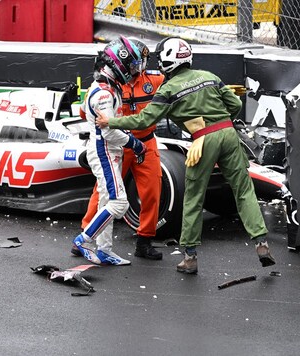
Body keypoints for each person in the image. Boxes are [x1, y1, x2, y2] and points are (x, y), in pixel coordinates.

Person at [95, 37, 275, 274]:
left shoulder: (168, 89)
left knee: (193, 198)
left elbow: (143, 120)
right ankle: (261, 242)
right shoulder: (211, 76)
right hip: (229, 134)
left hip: (202, 141)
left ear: (168, 62)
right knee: (243, 191)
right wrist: (217, 120)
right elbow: (235, 105)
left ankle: (189, 257)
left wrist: (111, 121)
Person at [74, 37, 165, 261]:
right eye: (134, 64)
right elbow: (86, 115)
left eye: (140, 64)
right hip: (118, 143)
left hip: (146, 141)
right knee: (104, 193)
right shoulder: (106, 87)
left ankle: (144, 240)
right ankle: (86, 235)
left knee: (153, 191)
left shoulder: (154, 80)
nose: (138, 69)